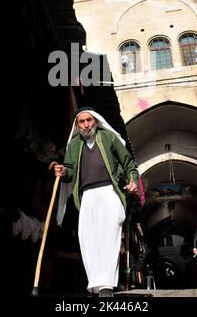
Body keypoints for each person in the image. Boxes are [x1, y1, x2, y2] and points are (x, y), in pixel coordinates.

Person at [54, 107, 140, 297]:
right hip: (87, 195)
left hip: (109, 191)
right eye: (82, 122)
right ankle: (96, 283)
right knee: (88, 238)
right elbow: (69, 170)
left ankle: (106, 285)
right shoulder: (74, 144)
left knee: (109, 235)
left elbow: (128, 164)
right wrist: (63, 172)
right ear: (77, 125)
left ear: (96, 121)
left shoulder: (108, 137)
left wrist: (133, 180)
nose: (86, 125)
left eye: (89, 120)